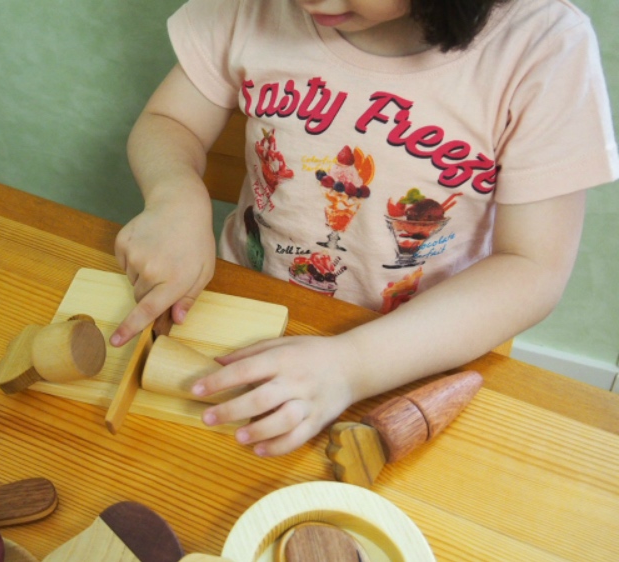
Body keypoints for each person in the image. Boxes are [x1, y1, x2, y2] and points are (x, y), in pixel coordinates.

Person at [111, 0, 619, 456]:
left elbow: (532, 269)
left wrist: (352, 365)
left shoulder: (543, 46)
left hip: (410, 353)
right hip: (237, 301)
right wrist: (175, 195)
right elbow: (168, 121)